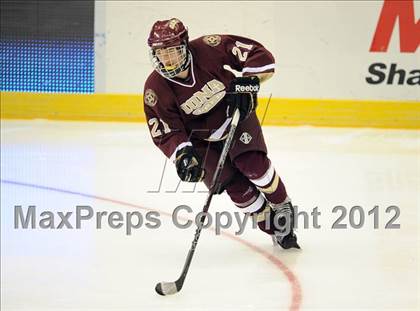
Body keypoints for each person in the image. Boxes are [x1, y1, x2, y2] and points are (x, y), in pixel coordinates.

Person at [143, 18, 300, 249]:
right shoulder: (155, 88)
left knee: (253, 166)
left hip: (235, 115)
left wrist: (247, 83)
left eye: (173, 51)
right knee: (235, 187)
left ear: (185, 45)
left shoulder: (209, 47)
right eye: (161, 53)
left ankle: (281, 202)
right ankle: (277, 229)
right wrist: (183, 156)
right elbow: (167, 131)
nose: (167, 59)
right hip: (200, 139)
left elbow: (258, 55)